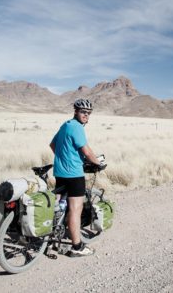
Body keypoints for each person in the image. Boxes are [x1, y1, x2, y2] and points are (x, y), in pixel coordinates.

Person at [50, 98, 101, 257]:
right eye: (83, 112)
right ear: (76, 112)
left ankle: (51, 240)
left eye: (88, 113)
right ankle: (77, 246)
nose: (86, 115)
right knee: (75, 210)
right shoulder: (77, 127)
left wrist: (64, 158)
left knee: (58, 206)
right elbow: (87, 151)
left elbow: (52, 145)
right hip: (74, 175)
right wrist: (97, 163)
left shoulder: (65, 125)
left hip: (59, 173)